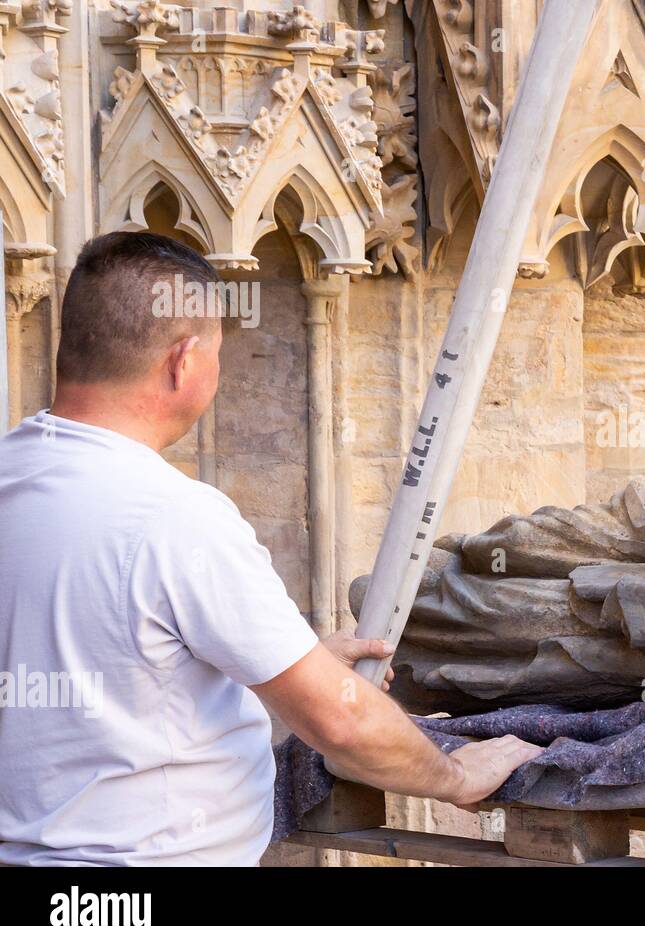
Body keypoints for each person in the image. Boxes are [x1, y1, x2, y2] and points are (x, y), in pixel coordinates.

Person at [0, 232, 540, 866]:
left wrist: (293, 664)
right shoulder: (173, 515)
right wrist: (457, 775)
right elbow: (341, 724)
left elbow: (103, 670)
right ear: (185, 360)